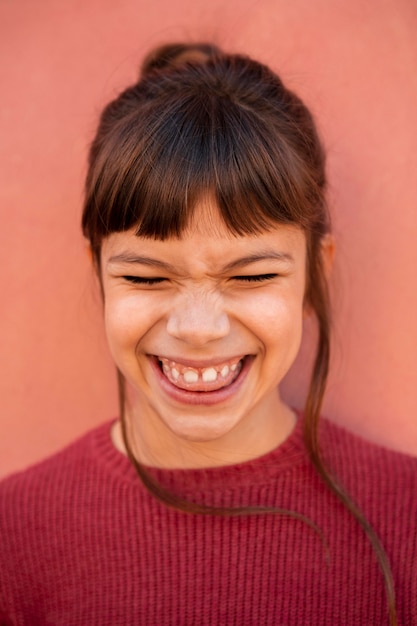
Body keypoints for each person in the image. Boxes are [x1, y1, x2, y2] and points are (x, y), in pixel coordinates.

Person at [0, 42, 416, 626]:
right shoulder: (14, 536)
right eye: (147, 276)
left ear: (314, 273)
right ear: (98, 271)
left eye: (251, 275)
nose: (198, 329)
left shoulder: (408, 518)